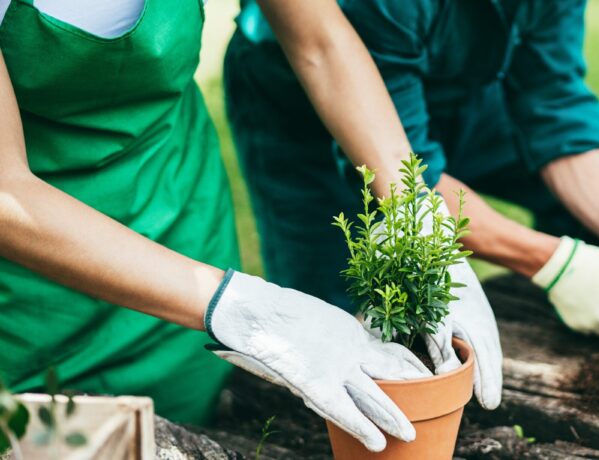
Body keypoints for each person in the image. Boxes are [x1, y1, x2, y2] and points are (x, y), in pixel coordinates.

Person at [0, 0, 500, 452]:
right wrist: (240, 309)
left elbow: (320, 40)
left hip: (183, 236)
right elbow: (6, 191)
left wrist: (413, 213)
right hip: (36, 305)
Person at [225, 0, 599, 339]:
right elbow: (403, 180)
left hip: (461, 82)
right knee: (348, 319)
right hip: (308, 111)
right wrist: (554, 263)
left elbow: (552, 101)